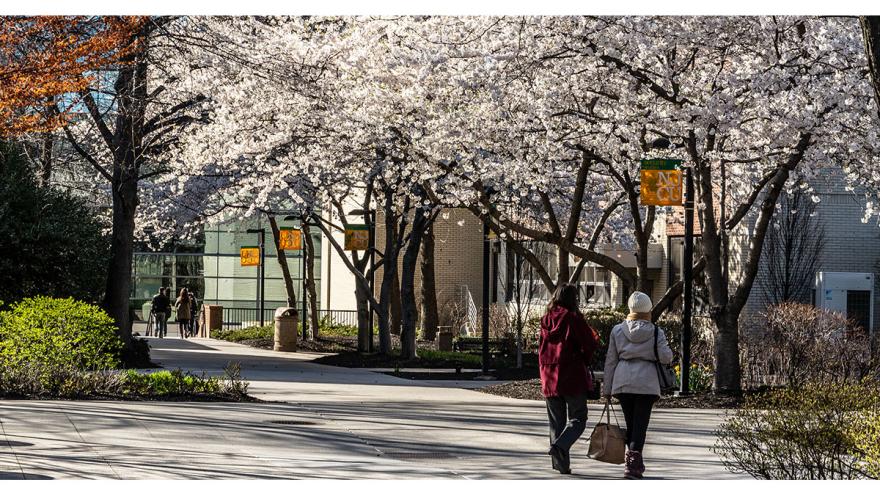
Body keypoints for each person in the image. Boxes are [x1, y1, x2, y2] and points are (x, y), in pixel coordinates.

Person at [602, 291, 674, 479]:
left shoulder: (617, 330)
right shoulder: (656, 331)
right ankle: (633, 464)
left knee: (630, 422)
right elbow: (666, 357)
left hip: (623, 380)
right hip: (647, 382)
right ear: (649, 309)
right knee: (640, 423)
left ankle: (632, 461)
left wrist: (607, 389)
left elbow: (610, 361)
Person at [539, 283, 600, 475]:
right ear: (572, 299)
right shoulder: (572, 319)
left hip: (549, 376)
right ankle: (560, 445)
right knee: (578, 418)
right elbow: (589, 343)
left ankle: (561, 465)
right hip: (571, 375)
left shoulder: (545, 320)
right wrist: (584, 357)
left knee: (556, 423)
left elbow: (540, 350)